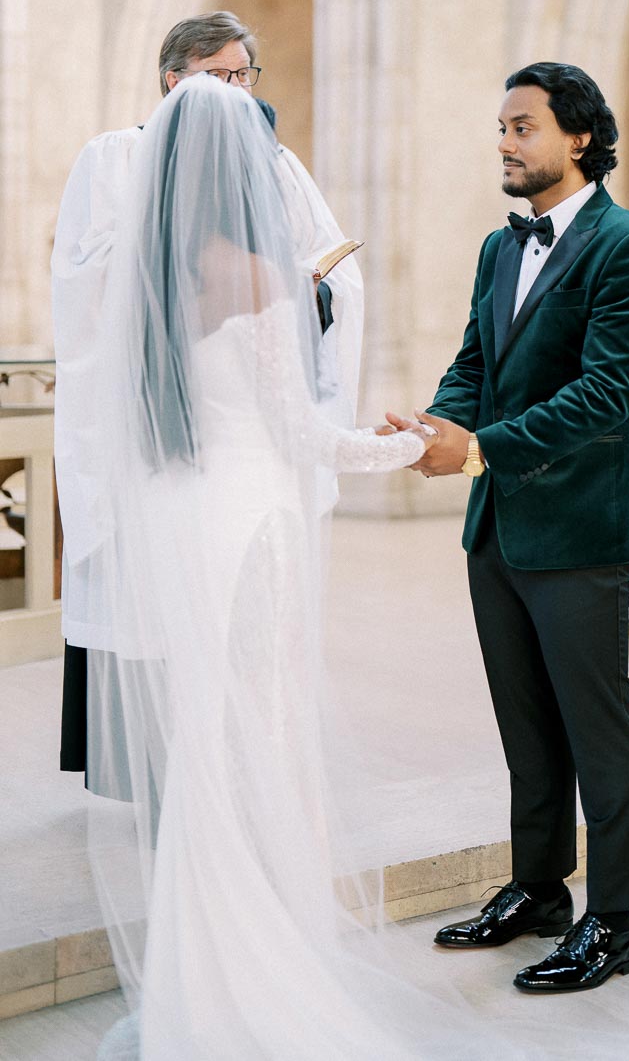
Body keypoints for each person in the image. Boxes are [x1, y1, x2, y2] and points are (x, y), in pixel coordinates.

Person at [61, 75, 450, 1059]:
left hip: (184, 524)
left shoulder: (144, 279)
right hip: (251, 529)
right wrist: (408, 444)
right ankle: (255, 984)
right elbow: (303, 434)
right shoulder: (258, 276)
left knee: (205, 747)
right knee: (260, 747)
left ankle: (197, 979)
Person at [390, 62, 629, 993]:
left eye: (523, 127)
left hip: (584, 524)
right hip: (501, 525)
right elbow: (476, 360)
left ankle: (617, 919)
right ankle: (539, 888)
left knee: (599, 725)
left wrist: (474, 452)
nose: (505, 143)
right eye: (501, 128)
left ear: (579, 137)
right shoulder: (497, 249)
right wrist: (439, 425)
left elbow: (606, 396)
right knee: (526, 722)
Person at [53, 11, 363, 789]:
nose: (236, 92)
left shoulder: (277, 162)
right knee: (156, 599)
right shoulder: (116, 157)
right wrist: (186, 275)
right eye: (221, 76)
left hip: (244, 404)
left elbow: (333, 265)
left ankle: (229, 777)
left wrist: (292, 290)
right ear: (173, 79)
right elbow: (84, 278)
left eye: (244, 76)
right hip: (158, 408)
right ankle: (163, 774)